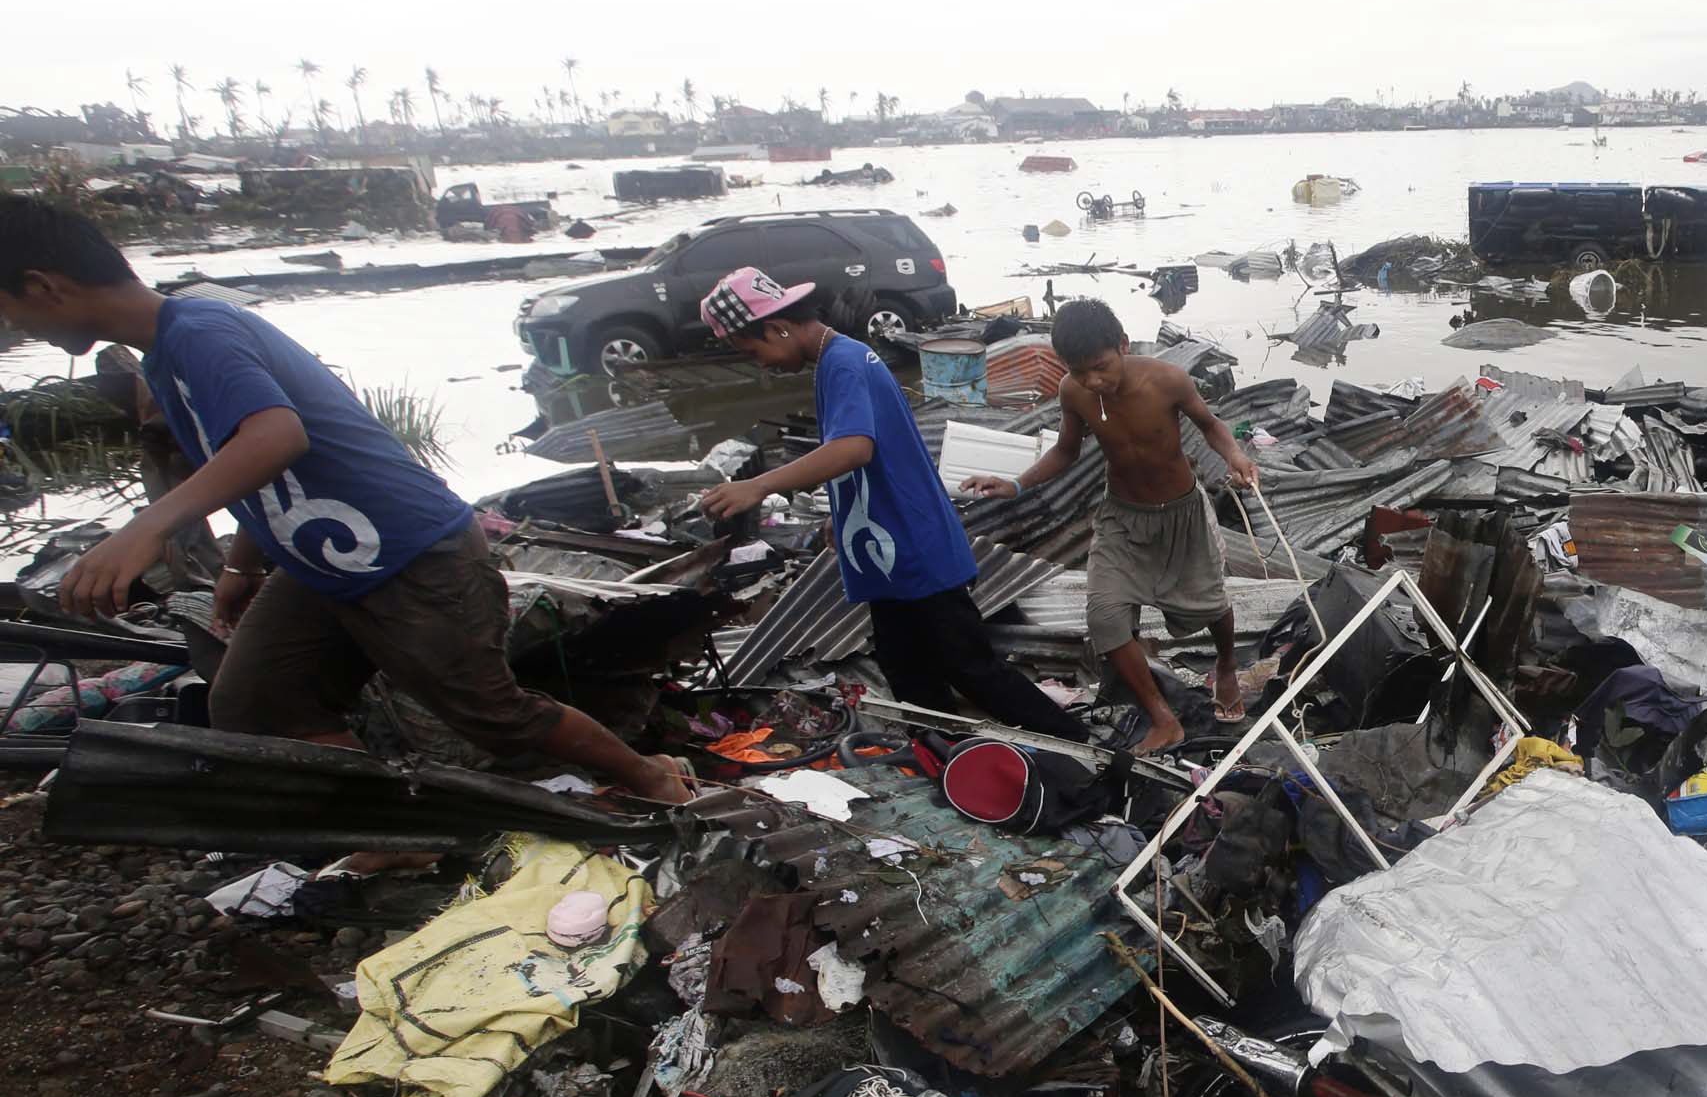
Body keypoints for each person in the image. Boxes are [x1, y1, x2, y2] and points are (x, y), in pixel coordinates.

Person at [0, 194, 692, 804]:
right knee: (255, 700)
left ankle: (647, 774)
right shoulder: (166, 355)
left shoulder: (200, 333)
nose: (18, 330)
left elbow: (276, 435)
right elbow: (253, 468)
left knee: (493, 713)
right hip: (325, 565)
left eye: (10, 311)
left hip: (414, 555)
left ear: (42, 285)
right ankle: (389, 828)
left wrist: (145, 529)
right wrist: (244, 565)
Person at [695, 269, 1087, 741]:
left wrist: (758, 485)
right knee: (909, 675)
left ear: (776, 328)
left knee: (972, 669)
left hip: (914, 547)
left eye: (753, 351)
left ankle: (1082, 748)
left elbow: (854, 447)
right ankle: (947, 758)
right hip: (888, 554)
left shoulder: (842, 363)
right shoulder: (835, 360)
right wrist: (838, 521)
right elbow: (862, 459)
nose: (760, 364)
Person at [962, 298, 1256, 752]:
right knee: (1104, 615)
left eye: (1101, 367)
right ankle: (1162, 718)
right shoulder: (1072, 392)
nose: (1093, 380)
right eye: (1080, 372)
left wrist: (1235, 456)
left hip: (1182, 514)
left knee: (1211, 603)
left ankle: (1227, 666)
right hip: (1122, 517)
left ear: (1122, 344)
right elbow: (1065, 451)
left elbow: (1211, 425)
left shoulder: (1167, 380)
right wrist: (1015, 485)